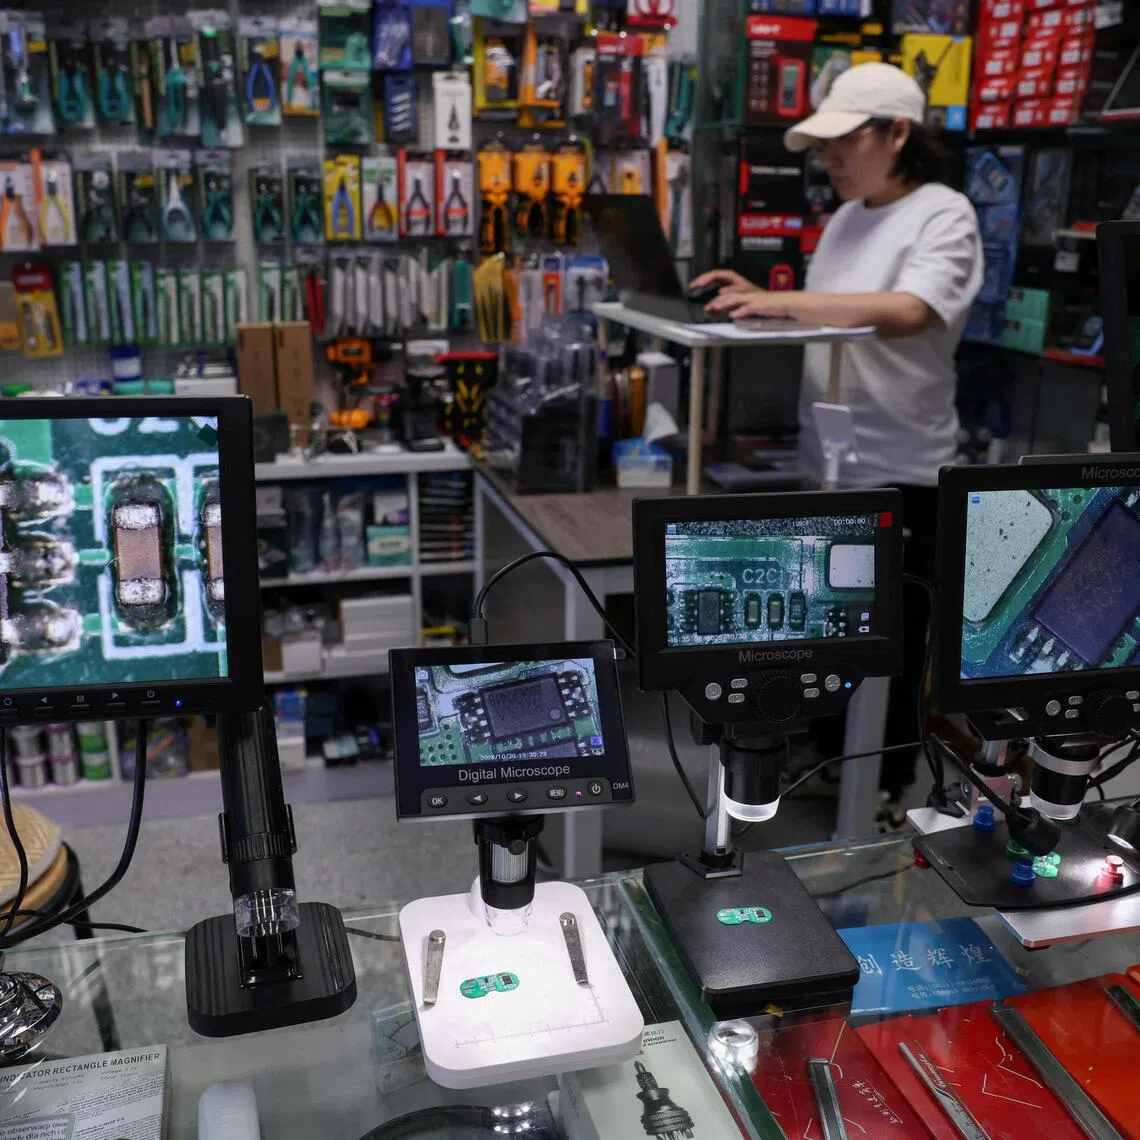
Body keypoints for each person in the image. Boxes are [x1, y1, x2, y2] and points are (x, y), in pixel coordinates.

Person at [692, 62, 984, 819]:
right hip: (829, 460)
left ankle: (883, 785)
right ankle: (826, 755)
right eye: (822, 146)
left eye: (843, 141)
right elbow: (828, 311)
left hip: (903, 466)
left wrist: (778, 298)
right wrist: (758, 303)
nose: (828, 158)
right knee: (827, 620)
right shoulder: (849, 216)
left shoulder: (943, 213)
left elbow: (911, 309)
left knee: (892, 634)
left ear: (896, 133)